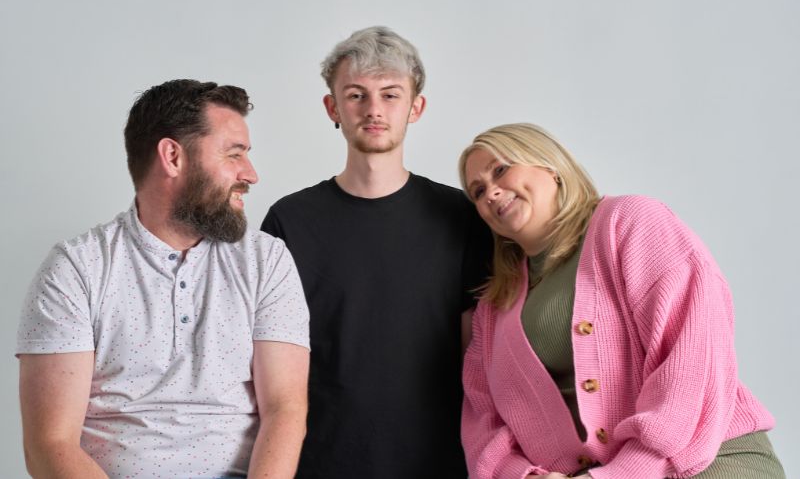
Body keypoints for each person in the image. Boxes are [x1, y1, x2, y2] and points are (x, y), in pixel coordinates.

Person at [16, 79, 310, 479]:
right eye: (234, 155)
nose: (251, 174)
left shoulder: (267, 261)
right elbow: (49, 444)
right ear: (173, 156)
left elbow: (286, 410)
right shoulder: (76, 269)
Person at [458, 123, 784, 479]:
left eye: (501, 170)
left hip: (705, 461)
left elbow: (692, 360)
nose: (491, 192)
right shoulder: (493, 307)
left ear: (549, 165)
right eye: (477, 191)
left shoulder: (629, 223)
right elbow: (483, 423)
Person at [261, 26, 492, 478]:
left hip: (441, 460)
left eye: (390, 95)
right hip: (319, 460)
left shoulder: (461, 216)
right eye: (356, 95)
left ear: (415, 107)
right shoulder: (289, 221)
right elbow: (270, 371)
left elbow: (480, 359)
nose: (373, 110)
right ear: (333, 108)